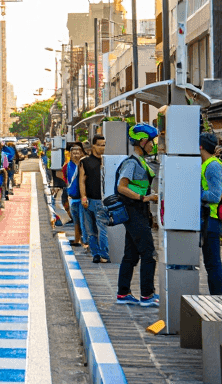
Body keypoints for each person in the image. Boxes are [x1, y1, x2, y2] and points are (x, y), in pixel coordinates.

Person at [115, 123, 160, 307]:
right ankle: (147, 295)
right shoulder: (131, 163)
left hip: (138, 212)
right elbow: (121, 187)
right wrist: (144, 198)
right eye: (151, 141)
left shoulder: (141, 162)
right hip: (134, 212)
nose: (153, 145)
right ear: (142, 141)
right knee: (148, 253)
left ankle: (123, 293)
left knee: (131, 255)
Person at [200, 132, 222, 296]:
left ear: (200, 146)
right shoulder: (206, 164)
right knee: (209, 262)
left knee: (213, 262)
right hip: (206, 218)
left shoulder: (213, 166)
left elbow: (215, 195)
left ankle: (217, 298)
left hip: (212, 219)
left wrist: (195, 194)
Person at [79, 134, 109, 263]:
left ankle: (103, 254)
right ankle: (96, 254)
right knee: (91, 230)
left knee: (102, 228)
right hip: (89, 200)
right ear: (93, 146)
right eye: (100, 145)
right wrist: (83, 197)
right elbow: (82, 181)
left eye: (104, 145)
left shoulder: (106, 161)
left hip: (101, 200)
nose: (103, 148)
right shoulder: (85, 161)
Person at [65, 144, 86, 246]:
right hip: (73, 197)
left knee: (83, 221)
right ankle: (77, 239)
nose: (76, 154)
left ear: (81, 153)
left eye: (78, 152)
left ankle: (83, 241)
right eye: (74, 152)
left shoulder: (83, 165)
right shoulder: (69, 165)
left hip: (82, 197)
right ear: (70, 154)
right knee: (76, 221)